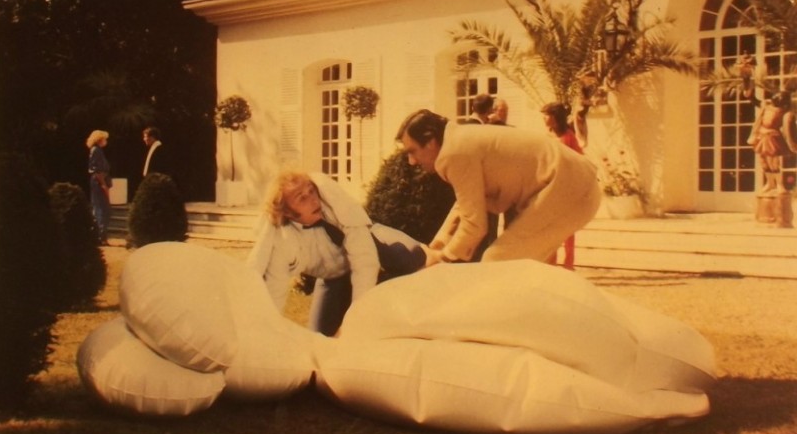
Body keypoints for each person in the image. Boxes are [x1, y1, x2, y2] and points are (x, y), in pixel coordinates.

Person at [396, 109, 601, 265]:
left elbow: (474, 225)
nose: (412, 161)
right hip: (573, 186)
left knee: (498, 260)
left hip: (572, 189)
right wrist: (437, 246)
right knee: (519, 267)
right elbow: (464, 207)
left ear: (431, 141)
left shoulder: (454, 152)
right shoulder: (459, 141)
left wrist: (442, 258)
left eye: (412, 151)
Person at [246, 170, 426, 336]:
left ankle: (428, 254)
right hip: (333, 277)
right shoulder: (284, 243)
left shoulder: (335, 206)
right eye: (302, 198)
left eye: (312, 191)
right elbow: (275, 292)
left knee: (412, 257)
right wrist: (265, 333)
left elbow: (365, 264)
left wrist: (353, 322)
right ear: (287, 212)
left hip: (370, 242)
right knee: (320, 338)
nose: (314, 200)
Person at [541, 102, 586, 270]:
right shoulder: (545, 136)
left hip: (565, 186)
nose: (544, 119)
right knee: (549, 226)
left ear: (555, 118)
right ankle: (550, 261)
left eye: (547, 115)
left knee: (567, 228)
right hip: (548, 185)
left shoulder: (568, 137)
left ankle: (568, 263)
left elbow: (580, 160)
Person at [747, 91, 797, 195]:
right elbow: (754, 100)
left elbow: (789, 129)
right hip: (761, 136)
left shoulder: (785, 113)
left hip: (772, 137)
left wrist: (792, 144)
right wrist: (747, 85)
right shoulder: (767, 106)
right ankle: (770, 183)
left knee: (773, 162)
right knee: (763, 161)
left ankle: (779, 185)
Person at [86, 129, 112, 245]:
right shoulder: (96, 150)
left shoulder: (97, 150)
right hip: (98, 181)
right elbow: (97, 170)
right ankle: (101, 236)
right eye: (104, 139)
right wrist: (103, 184)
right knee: (101, 209)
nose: (106, 141)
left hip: (99, 180)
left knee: (102, 208)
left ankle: (101, 236)